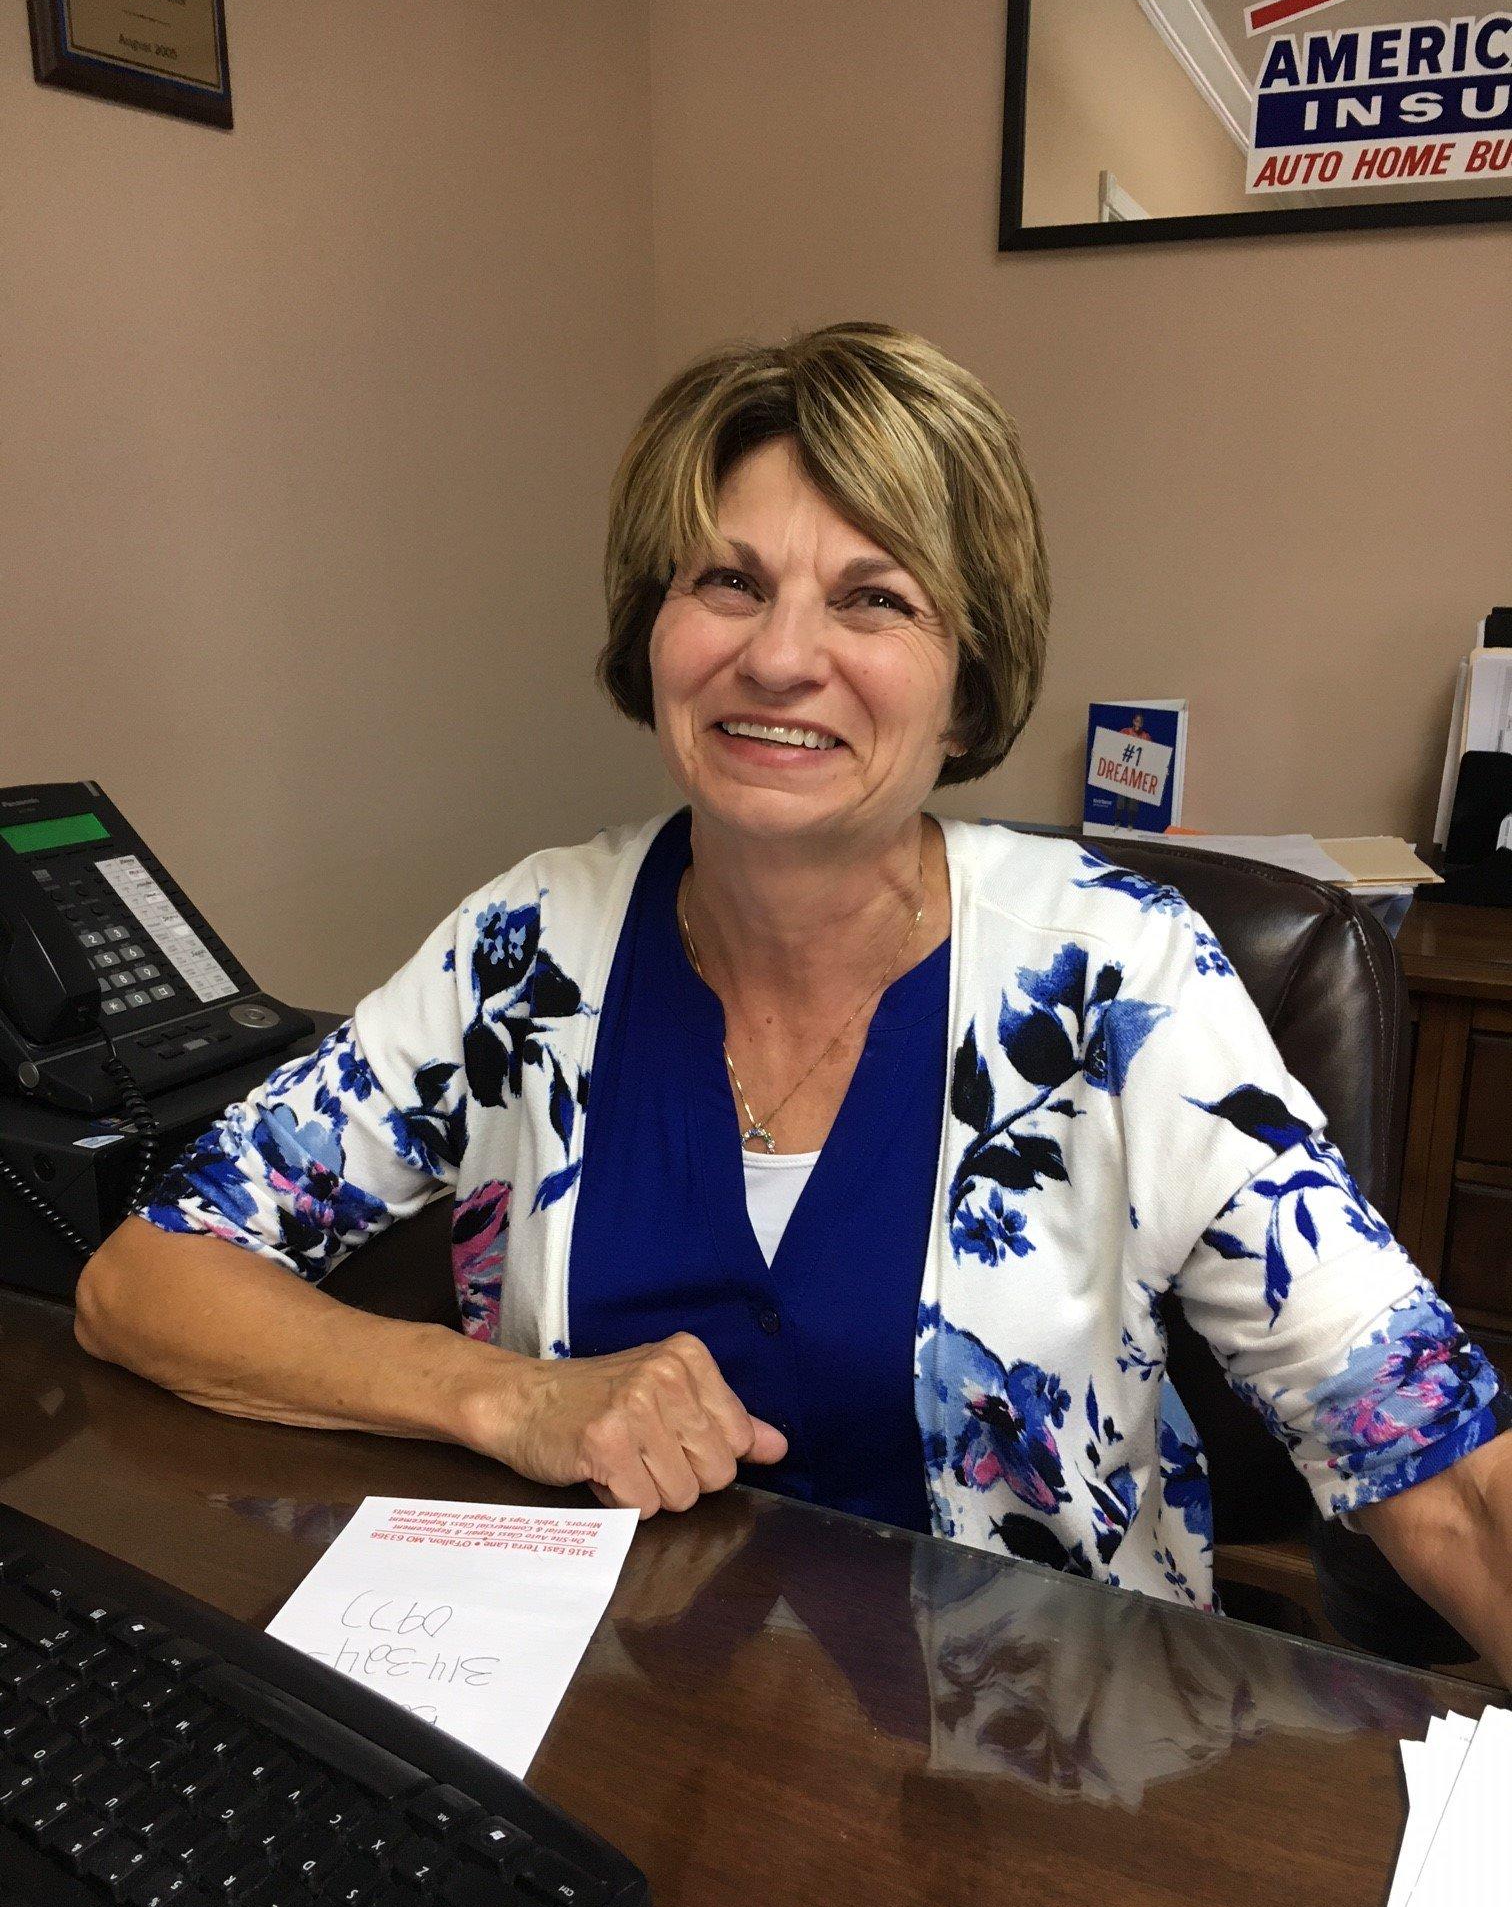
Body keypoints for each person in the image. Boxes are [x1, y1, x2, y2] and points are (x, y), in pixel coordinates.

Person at [76, 323, 1512, 1673]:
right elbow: (147, 1281)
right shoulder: (526, 943)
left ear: (965, 682)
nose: (777, 656)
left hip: (1043, 1789)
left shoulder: (1115, 977)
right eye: (729, 582)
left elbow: (1447, 1478)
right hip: (590, 1726)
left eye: (873, 597)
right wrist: (509, 1399)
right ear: (656, 632)